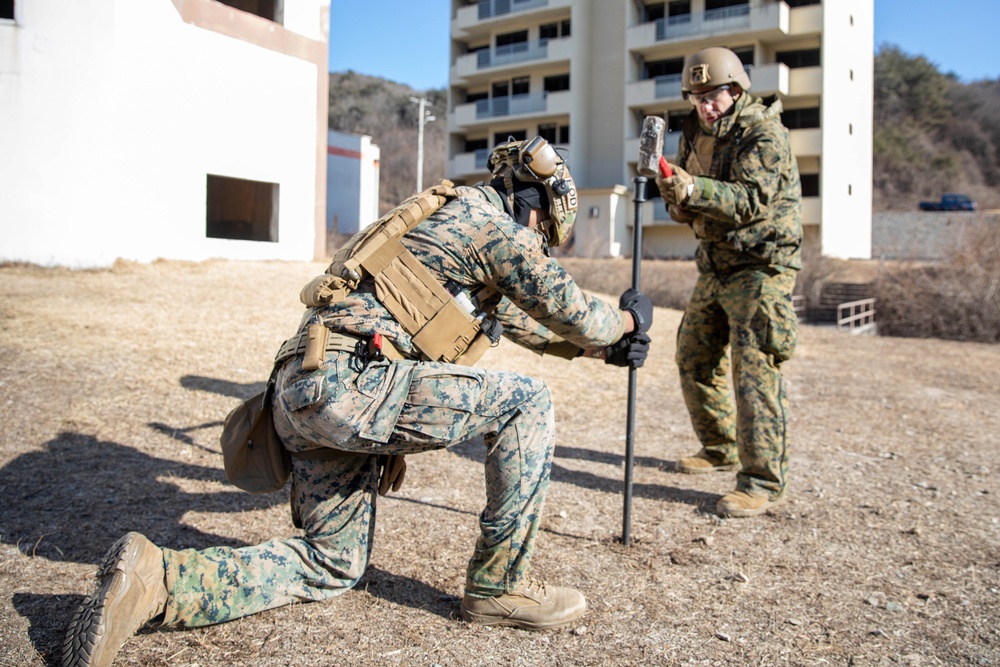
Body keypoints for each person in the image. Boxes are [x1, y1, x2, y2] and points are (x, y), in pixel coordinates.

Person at [63, 136, 653, 666]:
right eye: (545, 237)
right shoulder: (498, 229)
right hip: (355, 386)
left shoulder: (442, 222)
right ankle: (500, 588)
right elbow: (576, 314)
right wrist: (625, 320)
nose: (541, 247)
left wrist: (599, 353)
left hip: (304, 391)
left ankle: (156, 579)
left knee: (332, 562)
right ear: (539, 210)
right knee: (528, 402)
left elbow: (524, 326)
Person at [654, 46, 802, 518]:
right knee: (693, 356)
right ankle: (721, 447)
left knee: (753, 372)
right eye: (696, 98)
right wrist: (675, 196)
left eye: (713, 97)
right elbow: (687, 201)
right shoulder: (696, 131)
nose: (704, 106)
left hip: (761, 267)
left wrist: (693, 189)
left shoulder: (763, 132)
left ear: (736, 90)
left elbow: (750, 201)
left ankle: (761, 481)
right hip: (715, 264)